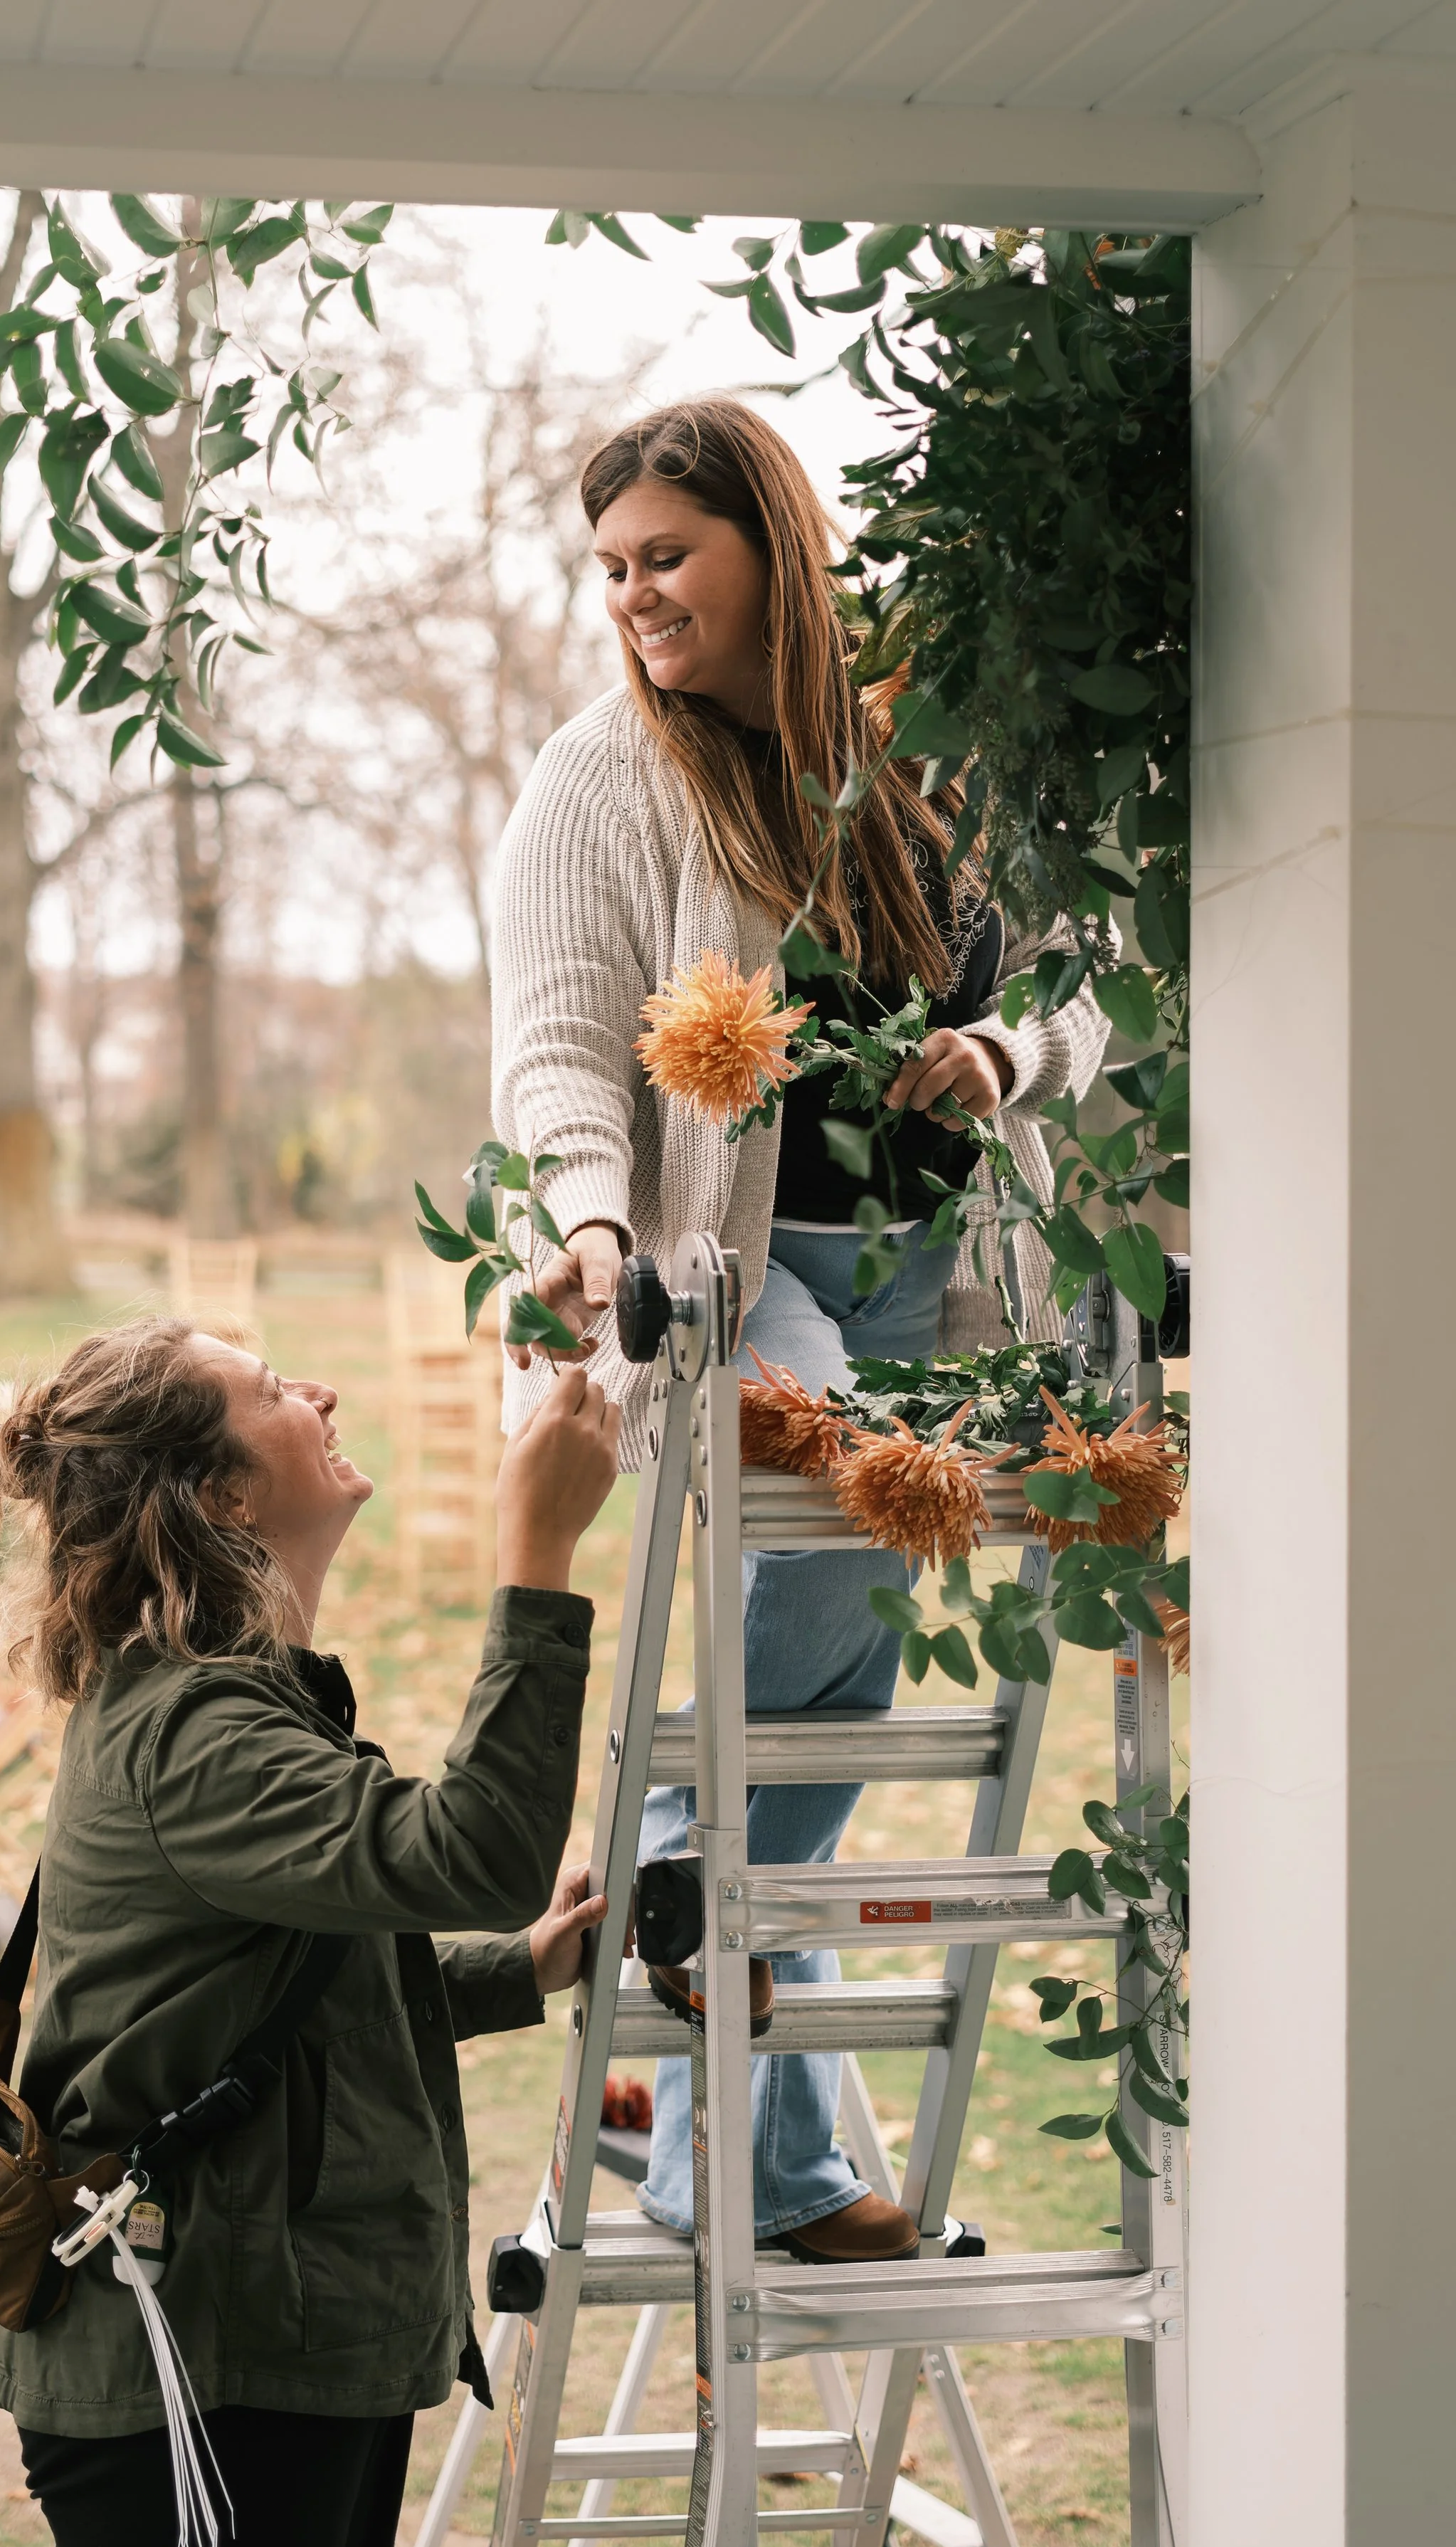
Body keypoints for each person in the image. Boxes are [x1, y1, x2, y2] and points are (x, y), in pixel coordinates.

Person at [490, 398, 1111, 2264]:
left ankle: (648, 1971)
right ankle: (759, 2165)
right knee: (845, 1522)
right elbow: (557, 1035)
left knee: (816, 1682)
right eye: (609, 570)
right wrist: (590, 1218)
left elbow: (1097, 973)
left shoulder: (929, 755)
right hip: (727, 1264)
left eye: (664, 556)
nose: (632, 598)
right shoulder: (603, 773)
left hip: (935, 1271)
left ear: (771, 541)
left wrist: (1007, 1049)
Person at [0, 1316, 619, 2547]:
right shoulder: (197, 1728)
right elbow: (476, 1853)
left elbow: (286, 1989)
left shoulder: (229, 1699)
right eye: (268, 1389)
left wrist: (528, 1963)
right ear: (223, 1497)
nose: (316, 1386)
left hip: (264, 2348)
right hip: (199, 2381)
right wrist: (536, 1549)